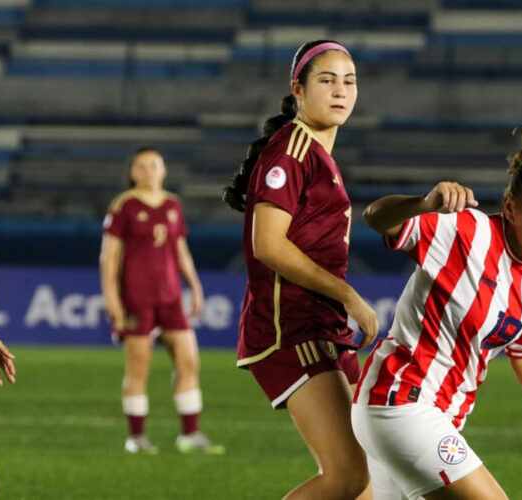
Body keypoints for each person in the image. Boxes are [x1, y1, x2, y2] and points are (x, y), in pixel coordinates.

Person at [352, 131, 522, 500]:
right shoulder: (464, 230)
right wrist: (424, 204)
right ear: (510, 207)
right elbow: (376, 217)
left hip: (434, 417)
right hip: (400, 401)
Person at [222, 40, 377, 499]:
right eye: (326, 80)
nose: (340, 91)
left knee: (365, 484)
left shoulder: (314, 151)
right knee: (348, 476)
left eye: (349, 82)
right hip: (289, 329)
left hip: (320, 326)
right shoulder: (290, 151)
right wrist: (349, 295)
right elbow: (268, 244)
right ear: (298, 89)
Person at [100, 147, 223, 455]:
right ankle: (136, 438)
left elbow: (180, 251)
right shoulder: (123, 206)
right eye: (142, 166)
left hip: (170, 298)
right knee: (138, 368)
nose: (149, 171)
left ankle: (189, 435)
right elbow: (109, 258)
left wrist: (194, 287)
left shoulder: (172, 205)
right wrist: (112, 300)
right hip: (136, 298)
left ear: (164, 170)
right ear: (132, 173)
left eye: (155, 165)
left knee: (188, 361)